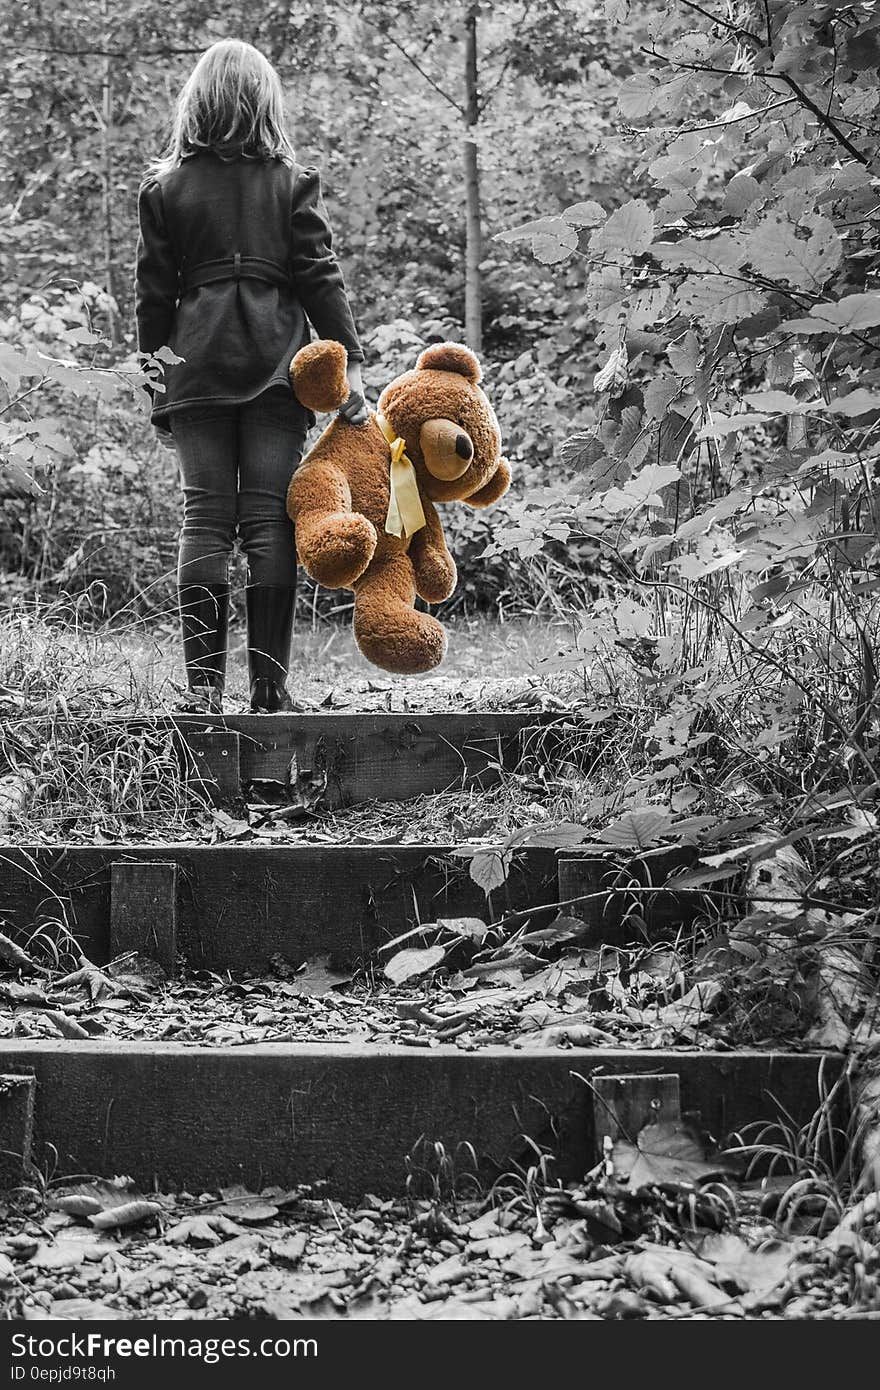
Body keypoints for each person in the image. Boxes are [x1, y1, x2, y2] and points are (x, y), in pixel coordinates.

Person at [134, 38, 368, 714]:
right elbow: (320, 279)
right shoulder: (292, 183)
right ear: (266, 101)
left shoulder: (165, 188)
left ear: (196, 102)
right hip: (275, 368)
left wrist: (156, 384)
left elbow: (153, 297)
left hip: (196, 367)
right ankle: (270, 692)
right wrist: (345, 364)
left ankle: (203, 696)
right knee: (268, 522)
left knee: (204, 520)